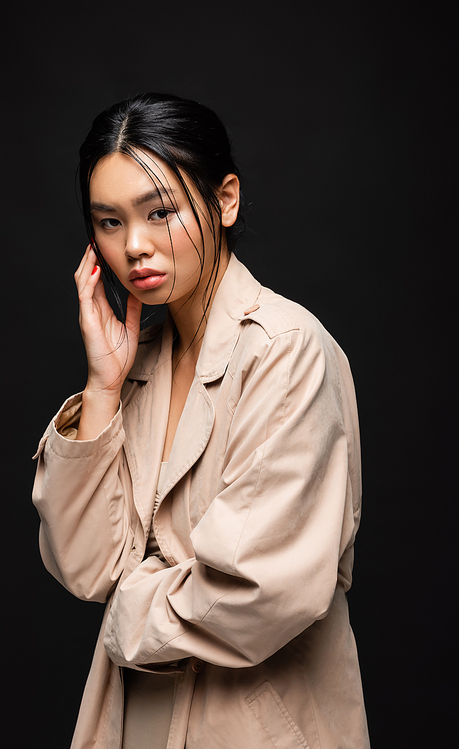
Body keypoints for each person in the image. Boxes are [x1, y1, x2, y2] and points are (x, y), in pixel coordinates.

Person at [32, 92, 370, 749]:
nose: (134, 246)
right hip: (133, 721)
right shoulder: (138, 363)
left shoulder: (286, 349)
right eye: (108, 221)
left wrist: (127, 612)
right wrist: (102, 387)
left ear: (225, 200)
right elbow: (84, 565)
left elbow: (258, 590)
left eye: (160, 212)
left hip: (254, 726)